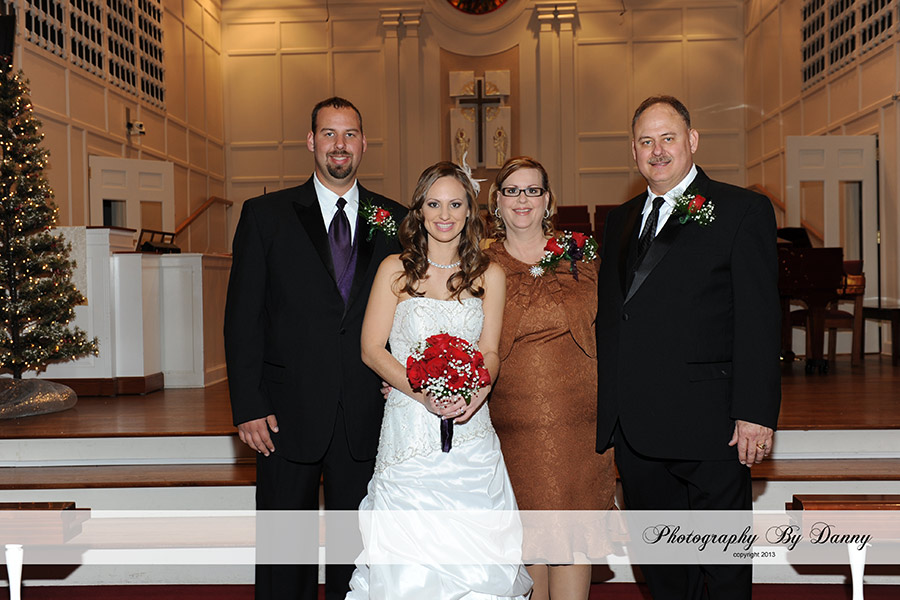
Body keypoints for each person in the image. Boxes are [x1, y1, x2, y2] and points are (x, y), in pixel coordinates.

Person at [595, 95, 781, 599]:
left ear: (692, 141)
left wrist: (755, 413)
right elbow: (617, 317)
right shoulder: (619, 220)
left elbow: (760, 320)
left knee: (723, 568)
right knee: (663, 569)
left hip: (712, 427)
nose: (657, 150)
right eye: (645, 141)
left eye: (668, 138)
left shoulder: (741, 210)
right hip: (637, 429)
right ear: (633, 150)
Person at [224, 96, 407, 600]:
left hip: (367, 408)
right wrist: (248, 404)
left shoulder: (395, 219)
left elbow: (410, 308)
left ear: (363, 144)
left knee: (361, 549)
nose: (339, 145)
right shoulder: (266, 215)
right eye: (329, 133)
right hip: (284, 411)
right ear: (311, 141)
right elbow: (243, 317)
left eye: (349, 134)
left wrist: (403, 376)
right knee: (285, 551)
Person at [347, 161, 532, 600]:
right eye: (434, 204)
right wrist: (423, 394)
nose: (444, 214)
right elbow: (371, 348)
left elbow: (490, 352)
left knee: (477, 554)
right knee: (407, 564)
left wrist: (477, 393)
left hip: (471, 432)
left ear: (470, 211)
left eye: (455, 204)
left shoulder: (490, 274)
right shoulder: (395, 269)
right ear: (419, 210)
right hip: (409, 430)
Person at [484, 157, 616, 600]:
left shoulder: (583, 254)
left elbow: (617, 324)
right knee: (525, 538)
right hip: (510, 426)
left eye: (533, 190)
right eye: (512, 190)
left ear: (548, 200)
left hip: (579, 422)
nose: (523, 200)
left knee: (573, 537)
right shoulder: (478, 262)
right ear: (497, 201)